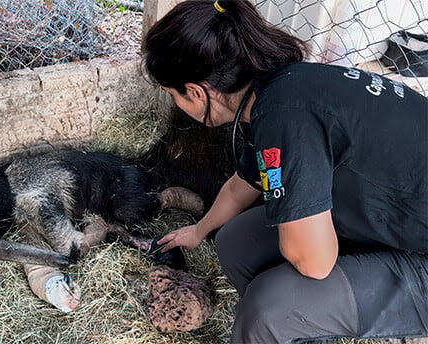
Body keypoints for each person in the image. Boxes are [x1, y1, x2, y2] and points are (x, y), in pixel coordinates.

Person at [141, 0, 428, 343]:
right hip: (396, 218)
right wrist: (199, 231)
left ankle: (281, 327)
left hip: (418, 253)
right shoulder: (277, 89)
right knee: (236, 241)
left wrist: (293, 238)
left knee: (270, 309)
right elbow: (243, 184)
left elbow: (315, 263)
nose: (176, 103)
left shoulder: (284, 114)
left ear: (197, 92)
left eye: (173, 94)